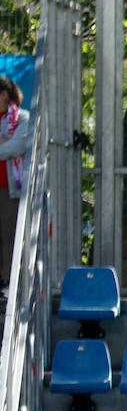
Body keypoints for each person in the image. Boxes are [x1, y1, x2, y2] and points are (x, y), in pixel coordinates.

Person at [0, 76, 33, 283]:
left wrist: (6, 144)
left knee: (9, 235)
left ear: (3, 95)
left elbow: (16, 147)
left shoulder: (22, 118)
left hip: (9, 188)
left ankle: (8, 282)